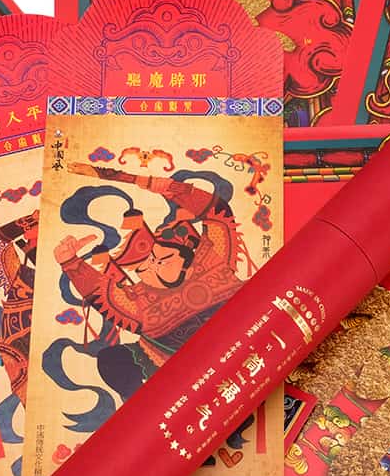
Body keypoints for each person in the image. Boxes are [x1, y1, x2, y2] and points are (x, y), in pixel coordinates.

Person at [56, 164, 253, 400]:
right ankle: (147, 408)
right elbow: (102, 294)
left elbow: (217, 213)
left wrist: (172, 188)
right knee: (113, 359)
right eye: (148, 262)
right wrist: (70, 262)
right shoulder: (139, 298)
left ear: (187, 261)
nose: (152, 266)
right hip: (177, 365)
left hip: (242, 341)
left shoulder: (213, 259)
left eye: (163, 259)